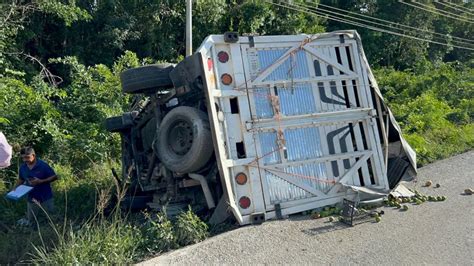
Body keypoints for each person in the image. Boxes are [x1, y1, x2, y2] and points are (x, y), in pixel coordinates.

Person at [13, 147, 57, 224]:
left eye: (27, 157)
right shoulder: (23, 167)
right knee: (31, 220)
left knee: (51, 218)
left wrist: (41, 181)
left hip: (45, 196)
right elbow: (21, 179)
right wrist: (15, 189)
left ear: (33, 155)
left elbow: (54, 177)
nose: (25, 160)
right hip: (31, 197)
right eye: (23, 158)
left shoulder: (43, 165)